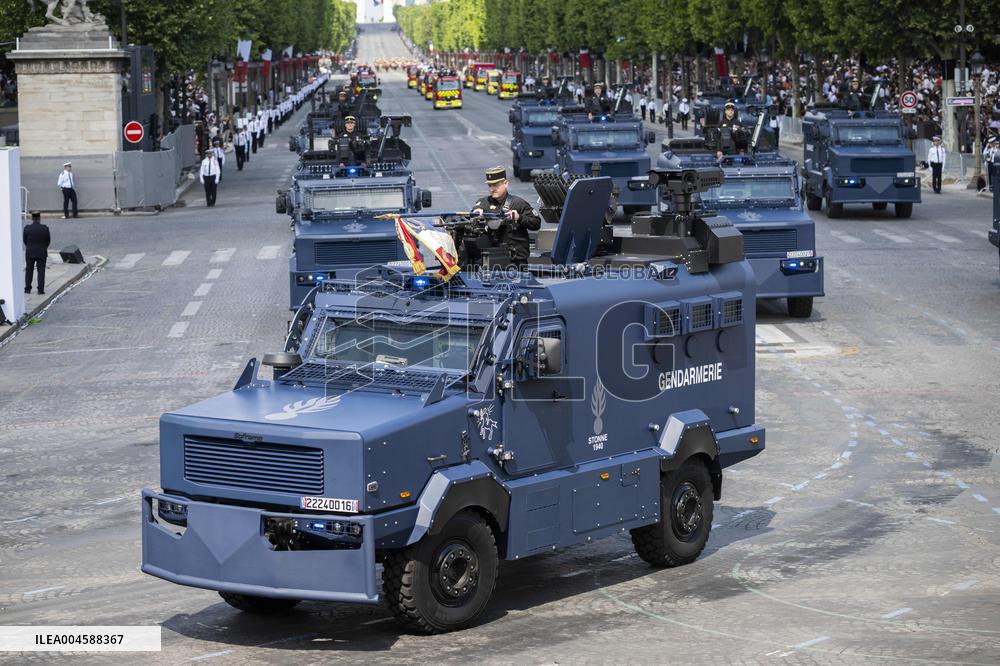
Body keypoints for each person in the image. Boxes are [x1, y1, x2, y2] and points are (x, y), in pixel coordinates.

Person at [470, 166, 541, 267]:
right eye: (490, 186)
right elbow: (476, 210)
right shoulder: (484, 202)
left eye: (495, 185)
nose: (492, 189)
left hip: (516, 260)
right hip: (491, 258)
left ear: (506, 183)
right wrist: (476, 213)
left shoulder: (518, 203)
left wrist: (519, 217)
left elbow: (536, 223)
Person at [23, 214, 50, 295]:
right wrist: (43, 247)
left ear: (32, 219)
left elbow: (25, 241)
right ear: (39, 218)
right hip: (41, 252)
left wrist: (30, 247)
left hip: (30, 252)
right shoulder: (44, 228)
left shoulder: (27, 228)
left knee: (29, 270)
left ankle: (27, 289)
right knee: (41, 271)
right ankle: (40, 290)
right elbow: (48, 240)